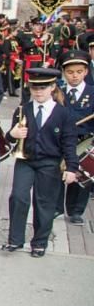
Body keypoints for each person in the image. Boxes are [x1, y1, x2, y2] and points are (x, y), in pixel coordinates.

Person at [3, 68, 79, 257]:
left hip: (49, 163)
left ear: (53, 87)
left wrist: (71, 168)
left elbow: (69, 143)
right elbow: (9, 140)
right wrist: (12, 135)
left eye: (43, 88)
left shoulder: (63, 114)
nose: (38, 92)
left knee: (44, 202)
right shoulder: (24, 110)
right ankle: (15, 239)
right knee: (18, 197)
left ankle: (39, 242)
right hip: (26, 160)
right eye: (34, 87)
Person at [60, 50, 94, 224]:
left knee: (81, 175)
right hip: (61, 139)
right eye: (70, 72)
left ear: (86, 72)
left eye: (79, 72)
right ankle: (57, 207)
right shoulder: (57, 91)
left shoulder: (92, 92)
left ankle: (76, 211)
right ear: (64, 72)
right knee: (57, 172)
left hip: (84, 139)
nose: (75, 76)